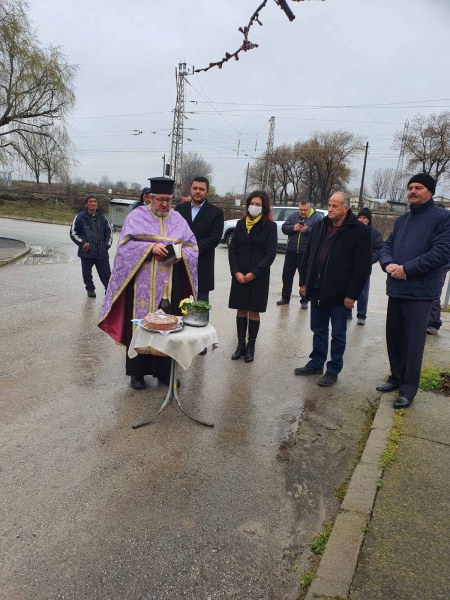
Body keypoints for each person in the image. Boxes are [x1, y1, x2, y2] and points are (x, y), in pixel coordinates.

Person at [99, 177, 198, 390]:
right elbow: (124, 248)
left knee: (170, 329)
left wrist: (177, 252)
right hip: (140, 288)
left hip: (170, 285)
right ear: (151, 198)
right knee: (139, 327)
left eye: (169, 200)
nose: (165, 204)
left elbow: (193, 249)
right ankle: (137, 373)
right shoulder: (137, 216)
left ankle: (165, 373)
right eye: (161, 199)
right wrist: (149, 249)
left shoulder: (179, 219)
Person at [376, 173, 450, 408]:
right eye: (409, 188)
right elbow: (387, 245)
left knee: (412, 343)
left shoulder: (442, 218)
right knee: (394, 338)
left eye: (418, 187)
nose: (412, 191)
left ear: (430, 191)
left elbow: (441, 253)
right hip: (396, 288)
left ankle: (408, 389)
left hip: (420, 292)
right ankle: (396, 377)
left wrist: (407, 269)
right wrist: (388, 264)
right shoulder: (403, 220)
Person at [295, 192, 371, 386]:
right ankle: (316, 362)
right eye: (329, 204)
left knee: (338, 333)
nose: (330, 209)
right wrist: (304, 282)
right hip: (317, 288)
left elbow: (362, 267)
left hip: (341, 293)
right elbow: (308, 255)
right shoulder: (320, 226)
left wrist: (352, 295)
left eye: (335, 206)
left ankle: (333, 369)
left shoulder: (358, 231)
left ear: (345, 208)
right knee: (318, 329)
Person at [228, 190, 277, 363]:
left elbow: (270, 254)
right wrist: (236, 272)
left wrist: (253, 274)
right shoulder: (241, 223)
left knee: (254, 311)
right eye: (252, 203)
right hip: (239, 275)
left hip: (258, 276)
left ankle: (251, 346)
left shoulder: (270, 226)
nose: (254, 207)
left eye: (258, 204)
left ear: (264, 207)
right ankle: (240, 344)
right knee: (241, 309)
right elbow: (233, 250)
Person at [175, 177, 224, 303]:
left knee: (200, 309)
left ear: (207, 192)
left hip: (202, 267)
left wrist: (190, 249)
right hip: (180, 266)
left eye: (201, 189)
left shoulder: (216, 213)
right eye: (195, 188)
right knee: (178, 305)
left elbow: (214, 239)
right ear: (190, 190)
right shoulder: (179, 209)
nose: (198, 191)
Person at [276, 200, 323, 308]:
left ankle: (305, 300)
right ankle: (285, 297)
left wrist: (307, 230)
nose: (302, 212)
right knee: (287, 276)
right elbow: (284, 228)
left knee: (305, 277)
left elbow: (319, 233)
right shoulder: (293, 216)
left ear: (310, 208)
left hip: (306, 254)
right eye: (300, 209)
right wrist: (293, 228)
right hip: (291, 251)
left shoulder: (317, 218)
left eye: (305, 210)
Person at [70, 193, 113, 298]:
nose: (93, 203)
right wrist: (83, 243)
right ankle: (90, 289)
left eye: (95, 201)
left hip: (101, 253)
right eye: (90, 201)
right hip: (87, 252)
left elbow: (109, 233)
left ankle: (109, 290)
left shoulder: (103, 218)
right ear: (86, 204)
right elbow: (73, 233)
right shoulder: (80, 217)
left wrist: (106, 246)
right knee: (87, 274)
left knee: (107, 275)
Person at [348, 207, 384, 325]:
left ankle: (361, 315)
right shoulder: (351, 230)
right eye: (360, 217)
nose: (361, 219)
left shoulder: (374, 233)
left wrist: (368, 260)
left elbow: (378, 250)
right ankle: (347, 312)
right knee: (347, 290)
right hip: (349, 267)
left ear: (369, 220)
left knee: (363, 292)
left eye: (364, 217)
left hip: (364, 268)